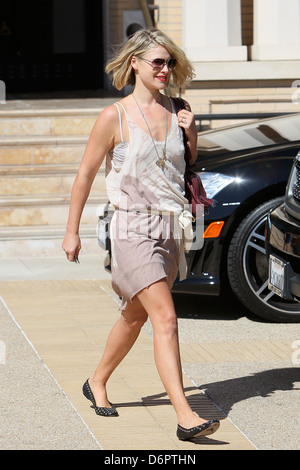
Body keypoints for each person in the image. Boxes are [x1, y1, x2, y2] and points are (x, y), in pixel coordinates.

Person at [62, 28, 220, 441]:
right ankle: (185, 415)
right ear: (135, 63)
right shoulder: (113, 117)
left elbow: (183, 165)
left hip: (170, 228)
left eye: (169, 62)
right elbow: (84, 175)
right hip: (131, 227)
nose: (165, 69)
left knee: (134, 316)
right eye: (157, 62)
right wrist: (72, 232)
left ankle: (96, 380)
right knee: (165, 318)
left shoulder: (178, 109)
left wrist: (190, 133)